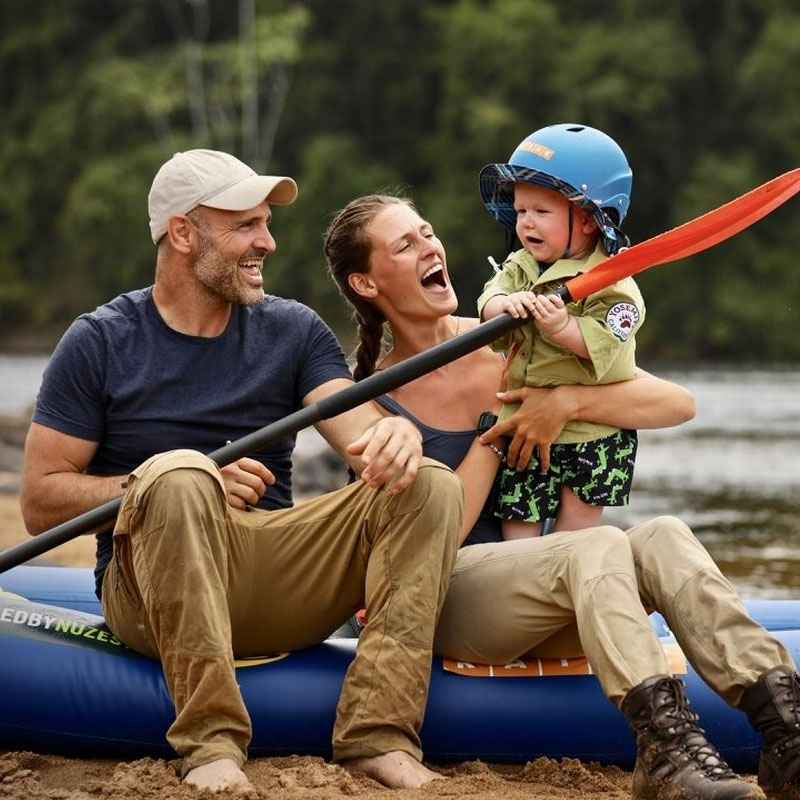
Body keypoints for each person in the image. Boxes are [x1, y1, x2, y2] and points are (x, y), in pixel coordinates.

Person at [324, 192, 800, 800]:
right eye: (404, 244)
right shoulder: (370, 401)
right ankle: (665, 751)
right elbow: (432, 531)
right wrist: (498, 431)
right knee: (595, 545)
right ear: (366, 283)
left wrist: (567, 402)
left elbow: (675, 403)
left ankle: (786, 734)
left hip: (547, 585)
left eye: (427, 232)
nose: (430, 247)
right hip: (448, 593)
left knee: (664, 535)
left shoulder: (510, 338)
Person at [19, 150, 466, 792]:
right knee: (178, 477)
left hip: (273, 571)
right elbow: (40, 502)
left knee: (429, 482)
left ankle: (379, 737)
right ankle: (210, 746)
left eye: (266, 223)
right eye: (245, 226)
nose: (267, 242)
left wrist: (392, 434)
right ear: (183, 233)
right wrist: (168, 484)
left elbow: (359, 432)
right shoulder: (100, 341)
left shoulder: (294, 330)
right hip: (148, 590)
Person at [479, 123, 644, 539]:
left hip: (594, 434)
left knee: (576, 530)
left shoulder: (614, 283)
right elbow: (490, 298)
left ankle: (568, 574)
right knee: (519, 519)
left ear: (588, 221)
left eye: (541, 212)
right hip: (526, 423)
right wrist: (504, 305)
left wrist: (564, 326)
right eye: (521, 212)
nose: (526, 223)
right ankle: (522, 575)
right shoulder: (521, 265)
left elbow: (602, 344)